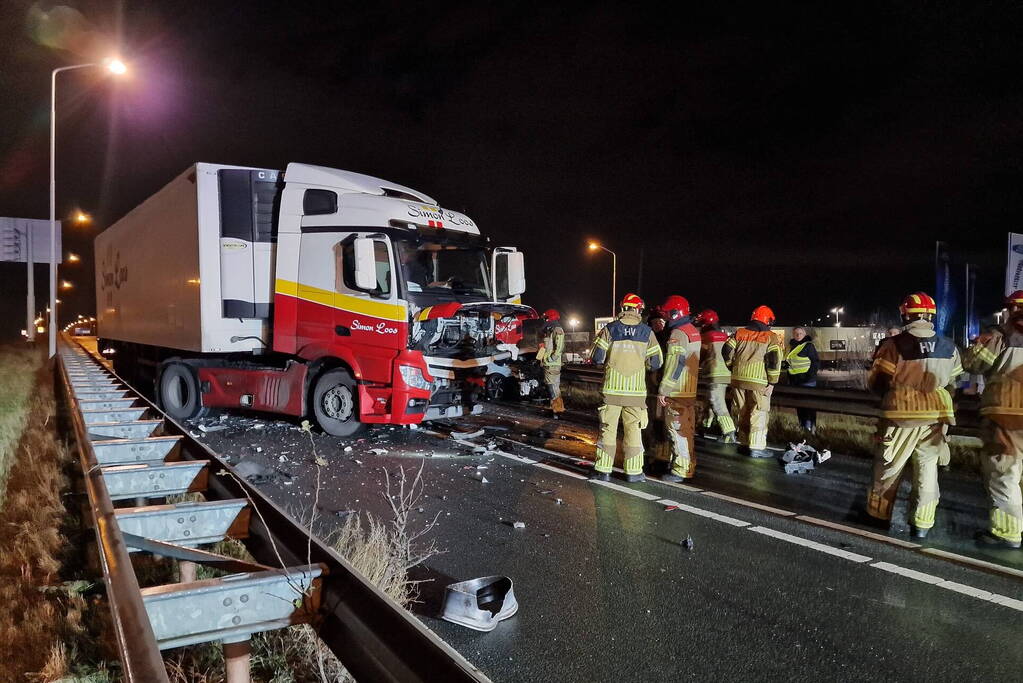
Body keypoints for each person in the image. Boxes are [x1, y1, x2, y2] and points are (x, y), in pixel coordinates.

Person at [866, 292, 962, 538]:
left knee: (889, 468)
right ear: (930, 316)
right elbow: (954, 382)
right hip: (937, 417)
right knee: (928, 471)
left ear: (905, 314)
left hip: (901, 415)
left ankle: (878, 518)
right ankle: (922, 524)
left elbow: (877, 382)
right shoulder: (949, 345)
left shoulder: (893, 345)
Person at [962, 290, 1023, 548]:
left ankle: (1007, 534)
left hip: (1007, 414)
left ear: (1010, 309)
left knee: (1003, 473)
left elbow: (972, 364)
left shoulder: (1001, 335)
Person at [589, 293, 663, 483]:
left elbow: (596, 358)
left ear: (623, 309)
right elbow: (656, 362)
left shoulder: (610, 329)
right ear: (639, 310)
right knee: (634, 431)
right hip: (636, 394)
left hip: (612, 392)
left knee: (608, 430)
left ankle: (603, 471)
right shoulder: (647, 332)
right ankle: (633, 472)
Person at [722, 306, 782, 457]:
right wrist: (772, 382)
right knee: (758, 412)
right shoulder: (771, 337)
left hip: (738, 379)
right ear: (767, 320)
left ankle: (744, 443)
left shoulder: (739, 333)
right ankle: (756, 447)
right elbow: (774, 360)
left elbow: (726, 351)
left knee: (742, 411)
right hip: (759, 381)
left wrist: (732, 367)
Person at [656, 296, 702, 482]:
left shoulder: (677, 334)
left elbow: (676, 364)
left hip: (676, 391)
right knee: (687, 430)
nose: (666, 318)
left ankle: (680, 470)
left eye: (668, 314)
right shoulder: (693, 331)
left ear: (676, 313)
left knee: (677, 430)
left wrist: (664, 389)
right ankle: (687, 465)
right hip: (689, 390)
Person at [694, 309, 737, 442]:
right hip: (726, 374)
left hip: (714, 374)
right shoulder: (723, 336)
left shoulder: (705, 337)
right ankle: (704, 426)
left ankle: (729, 432)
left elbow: (698, 356)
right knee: (710, 400)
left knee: (717, 402)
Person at [785, 326, 820, 432]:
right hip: (795, 382)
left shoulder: (809, 346)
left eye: (800, 333)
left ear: (804, 335)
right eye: (796, 333)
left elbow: (815, 363)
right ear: (793, 335)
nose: (798, 335)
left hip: (807, 382)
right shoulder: (791, 346)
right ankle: (803, 426)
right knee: (799, 406)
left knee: (809, 405)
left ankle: (810, 427)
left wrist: (808, 377)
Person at [536, 309, 566, 416]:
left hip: (552, 364)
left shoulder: (557, 329)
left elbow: (559, 348)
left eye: (545, 318)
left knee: (552, 386)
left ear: (550, 318)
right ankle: (555, 408)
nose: (544, 320)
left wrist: (550, 359)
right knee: (552, 386)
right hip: (548, 364)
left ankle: (557, 410)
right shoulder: (550, 329)